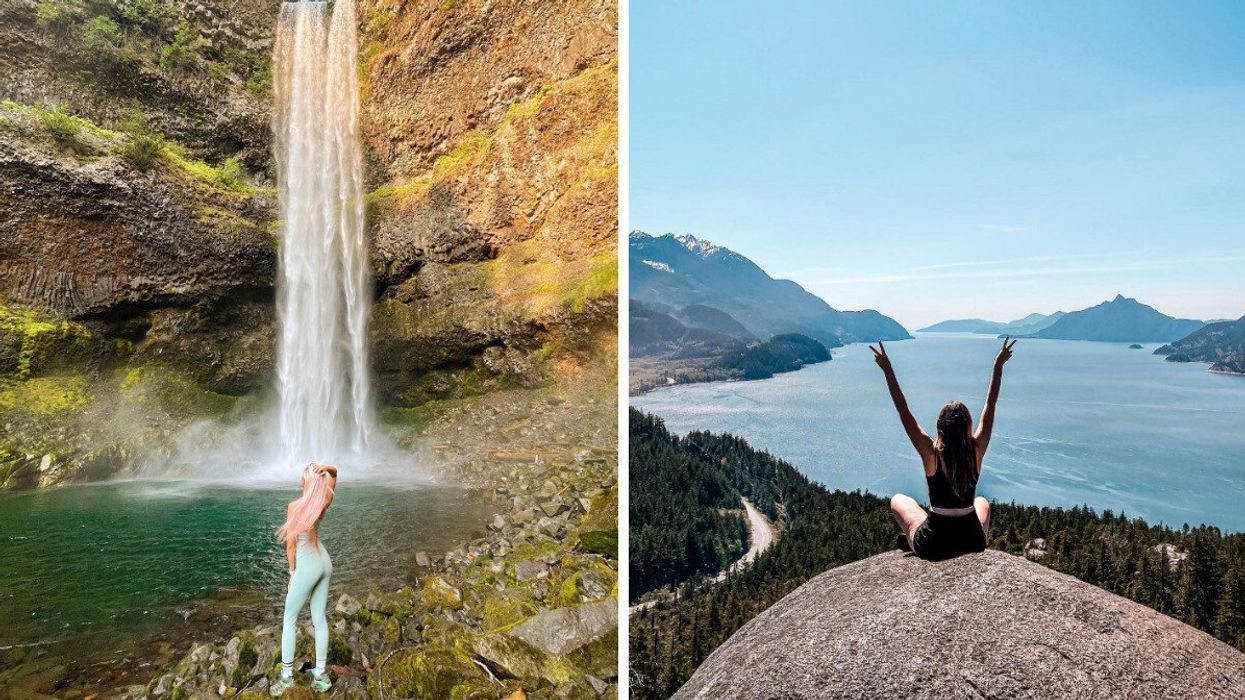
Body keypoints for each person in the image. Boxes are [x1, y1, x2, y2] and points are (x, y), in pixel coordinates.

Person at [870, 337, 1016, 560]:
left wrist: (887, 369)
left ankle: (910, 536)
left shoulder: (931, 453)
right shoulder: (976, 449)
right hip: (973, 540)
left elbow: (903, 411)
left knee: (899, 500)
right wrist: (998, 365)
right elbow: (990, 405)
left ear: (940, 427)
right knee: (982, 502)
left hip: (934, 544)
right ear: (968, 425)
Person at [271, 463, 338, 696]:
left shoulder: (294, 507)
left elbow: (291, 545)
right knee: (319, 618)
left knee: (289, 618)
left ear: (304, 481)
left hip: (308, 565)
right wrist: (326, 468)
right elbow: (334, 476)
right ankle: (321, 676)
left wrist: (292, 573)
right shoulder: (323, 502)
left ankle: (287, 677)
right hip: (324, 562)